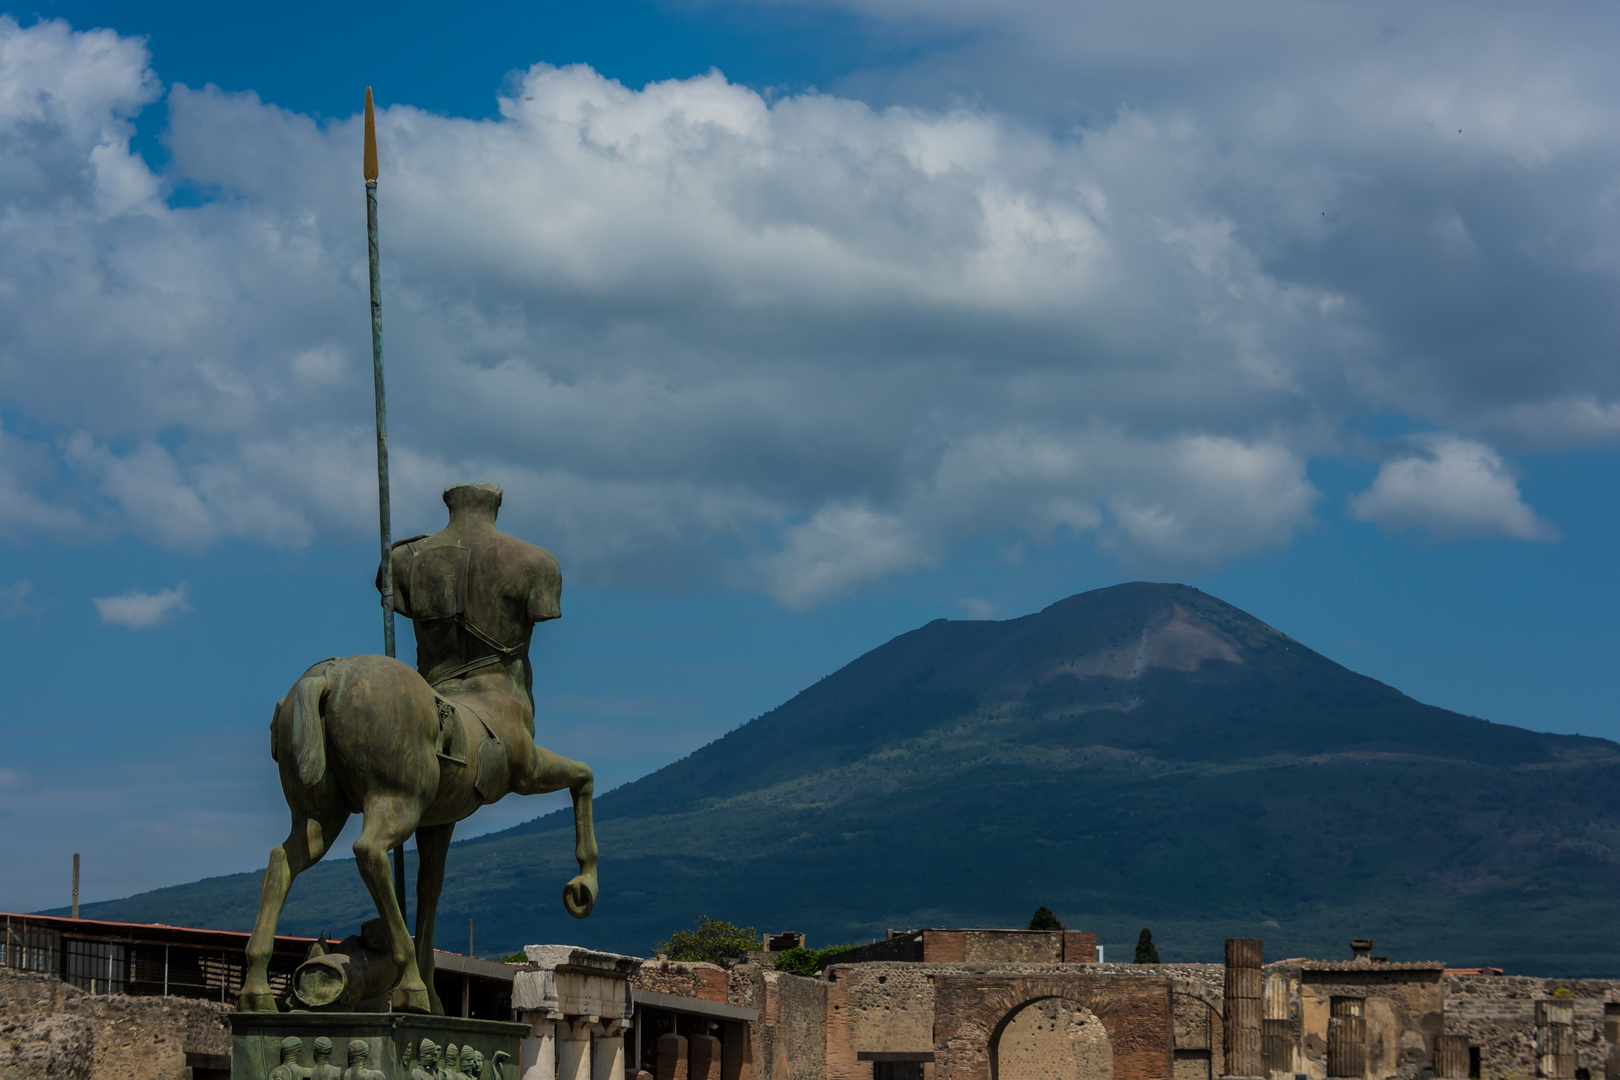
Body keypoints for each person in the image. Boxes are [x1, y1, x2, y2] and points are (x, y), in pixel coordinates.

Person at [381, 483, 561, 801]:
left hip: (431, 697)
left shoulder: (403, 560)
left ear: (449, 504)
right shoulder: (537, 562)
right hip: (499, 705)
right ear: (497, 505)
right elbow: (543, 611)